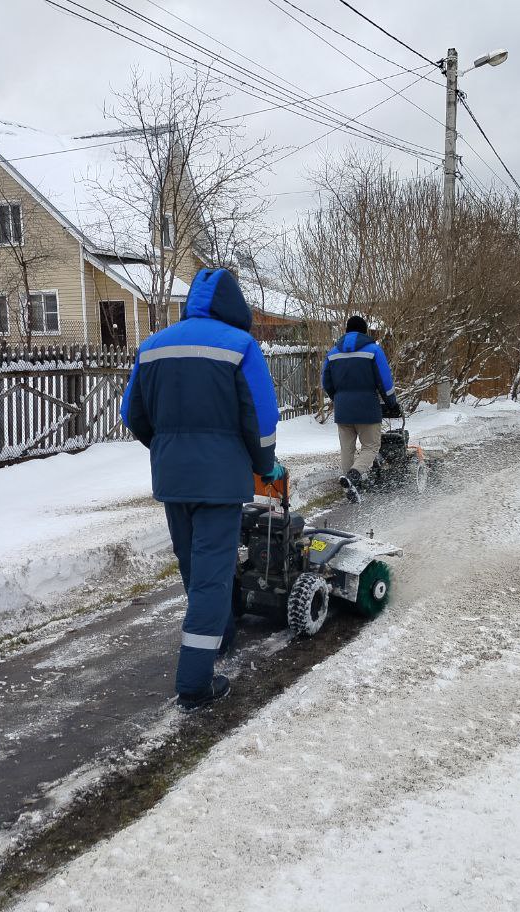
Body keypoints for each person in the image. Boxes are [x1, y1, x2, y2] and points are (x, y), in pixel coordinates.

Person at [120, 268, 283, 712]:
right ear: (235, 306)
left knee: (194, 567)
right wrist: (264, 464)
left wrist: (168, 446)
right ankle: (195, 681)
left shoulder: (153, 346)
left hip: (173, 479)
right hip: (219, 480)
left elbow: (132, 413)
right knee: (212, 573)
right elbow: (262, 419)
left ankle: (221, 634)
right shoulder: (240, 347)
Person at [321, 315, 401, 501]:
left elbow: (326, 382)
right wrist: (392, 403)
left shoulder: (333, 353)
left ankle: (350, 486)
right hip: (367, 409)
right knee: (371, 446)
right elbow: (385, 381)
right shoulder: (373, 350)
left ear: (346, 331)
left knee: (346, 449)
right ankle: (353, 477)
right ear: (365, 331)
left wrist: (338, 398)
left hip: (343, 410)